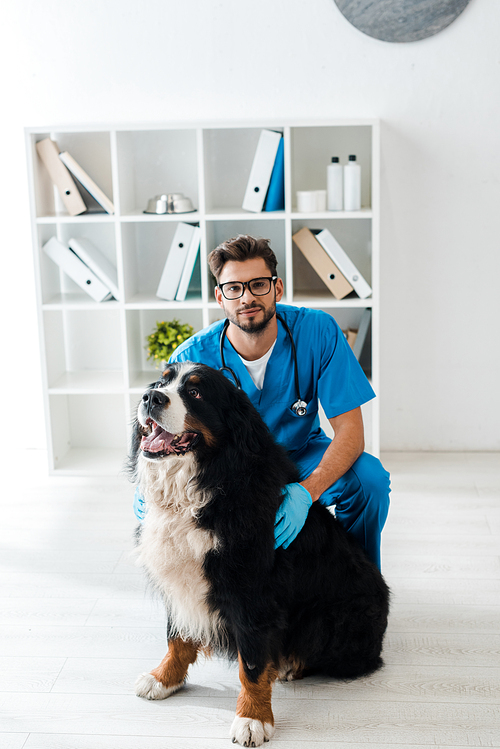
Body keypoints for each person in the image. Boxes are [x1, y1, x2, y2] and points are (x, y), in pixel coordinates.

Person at [134, 235, 390, 569]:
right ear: (220, 297)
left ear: (277, 288)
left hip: (299, 455)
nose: (247, 297)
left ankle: (360, 581)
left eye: (257, 285)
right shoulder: (192, 357)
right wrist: (149, 500)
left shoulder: (318, 331)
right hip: (231, 467)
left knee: (368, 480)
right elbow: (169, 440)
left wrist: (306, 492)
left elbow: (351, 432)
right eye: (234, 288)